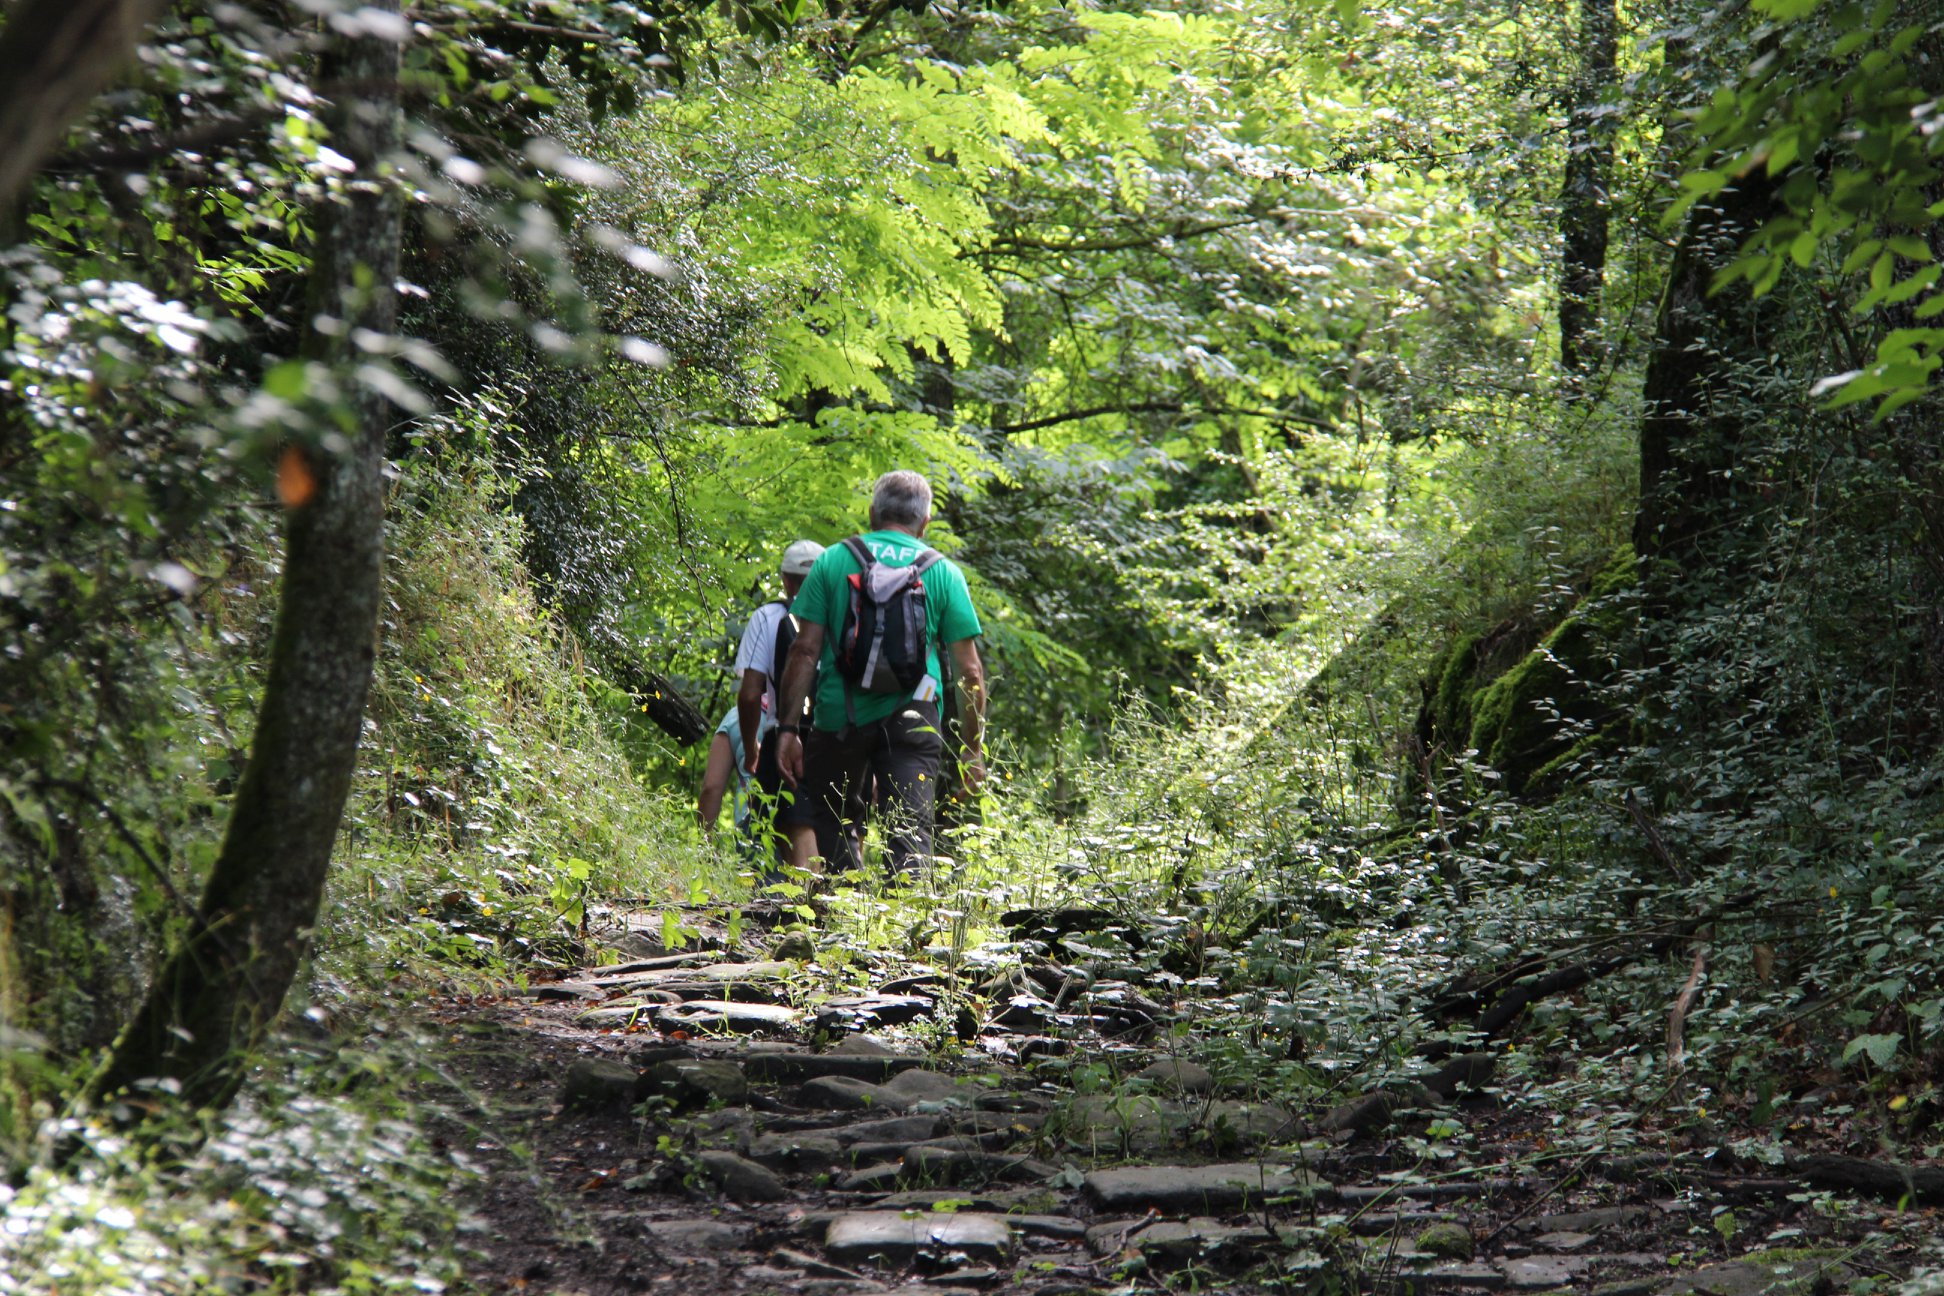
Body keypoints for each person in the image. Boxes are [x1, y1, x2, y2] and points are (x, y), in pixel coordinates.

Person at [775, 470, 986, 874]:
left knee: (835, 824)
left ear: (872, 514)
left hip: (838, 718)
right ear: (924, 522)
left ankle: (842, 914)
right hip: (914, 719)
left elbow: (804, 650)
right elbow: (971, 672)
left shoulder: (833, 561)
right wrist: (971, 750)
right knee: (910, 832)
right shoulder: (942, 573)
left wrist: (788, 728)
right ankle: (907, 928)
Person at [734, 538, 824, 870]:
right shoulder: (843, 615)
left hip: (786, 734)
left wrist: (751, 746)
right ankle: (834, 913)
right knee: (839, 825)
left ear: (785, 579)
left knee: (794, 824)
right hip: (840, 731)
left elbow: (749, 693)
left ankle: (806, 915)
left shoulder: (768, 617)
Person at [696, 704, 765, 849]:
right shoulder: (804, 718)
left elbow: (711, 788)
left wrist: (704, 847)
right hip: (798, 830)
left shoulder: (735, 718)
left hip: (749, 830)